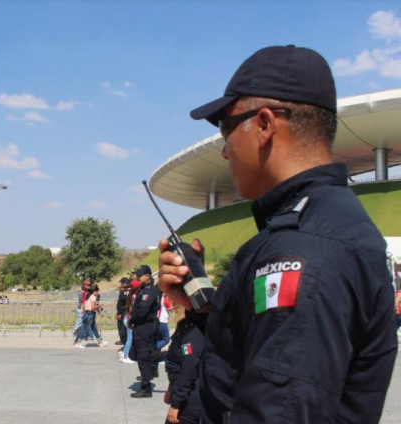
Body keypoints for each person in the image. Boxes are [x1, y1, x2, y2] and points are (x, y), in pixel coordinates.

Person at [158, 45, 398, 423]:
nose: (225, 151)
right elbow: (257, 352)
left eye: (227, 129)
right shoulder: (319, 224)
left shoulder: (305, 251)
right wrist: (203, 303)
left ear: (265, 124)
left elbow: (279, 409)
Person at [163, 309, 207, 424]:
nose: (171, 305)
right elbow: (177, 365)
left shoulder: (192, 332)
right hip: (182, 391)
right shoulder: (185, 325)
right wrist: (170, 389)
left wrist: (176, 404)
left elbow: (188, 370)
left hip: (190, 398)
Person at [128, 265, 159, 398]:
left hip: (144, 327)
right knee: (144, 355)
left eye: (139, 276)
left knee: (143, 356)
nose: (137, 278)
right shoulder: (145, 289)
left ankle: (146, 388)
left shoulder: (148, 291)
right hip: (144, 326)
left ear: (147, 276)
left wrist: (131, 320)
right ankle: (149, 374)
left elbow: (143, 311)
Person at [74, 284, 108, 349]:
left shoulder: (87, 295)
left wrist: (99, 312)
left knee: (94, 328)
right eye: (97, 291)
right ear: (94, 291)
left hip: (87, 313)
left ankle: (100, 342)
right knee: (85, 328)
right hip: (90, 314)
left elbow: (85, 305)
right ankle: (78, 343)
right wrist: (99, 306)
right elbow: (92, 307)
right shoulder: (93, 297)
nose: (98, 293)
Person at [120, 279, 140, 365]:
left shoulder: (130, 294)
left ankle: (125, 354)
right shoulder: (134, 296)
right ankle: (125, 356)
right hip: (129, 319)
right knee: (130, 339)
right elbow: (133, 310)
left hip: (126, 318)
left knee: (130, 338)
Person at [115, 277, 130, 346]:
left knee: (122, 327)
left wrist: (121, 313)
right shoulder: (123, 291)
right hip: (121, 311)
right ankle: (122, 339)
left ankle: (124, 340)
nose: (120, 285)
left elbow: (124, 303)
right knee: (120, 326)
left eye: (122, 283)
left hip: (123, 312)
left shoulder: (126, 292)